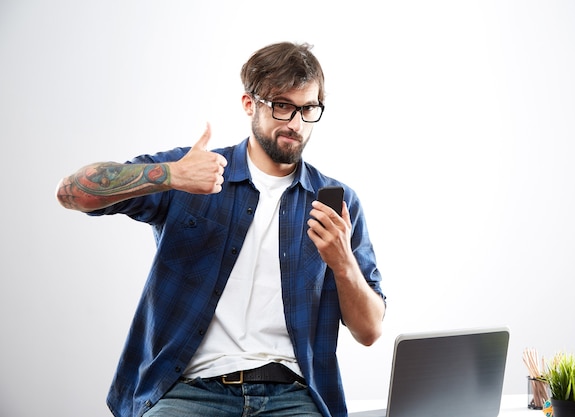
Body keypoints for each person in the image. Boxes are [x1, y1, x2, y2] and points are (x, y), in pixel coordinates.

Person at [56, 41, 386, 417]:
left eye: (307, 109)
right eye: (282, 106)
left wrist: (342, 263)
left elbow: (369, 331)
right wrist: (170, 174)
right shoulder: (193, 171)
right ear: (250, 104)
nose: (295, 124)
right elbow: (72, 192)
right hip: (189, 392)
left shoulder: (336, 204)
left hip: (291, 396)